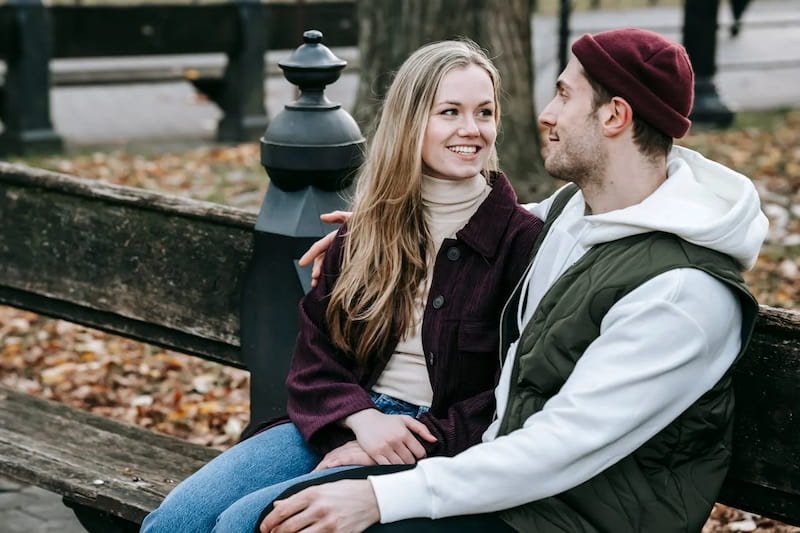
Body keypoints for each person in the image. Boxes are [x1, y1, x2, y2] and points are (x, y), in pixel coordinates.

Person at [258, 28, 769, 533]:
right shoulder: (578, 211)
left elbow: (559, 446)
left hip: (565, 515)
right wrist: (380, 230)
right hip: (501, 486)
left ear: (615, 115)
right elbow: (490, 222)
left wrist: (377, 495)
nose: (544, 114)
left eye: (564, 95)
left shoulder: (681, 294)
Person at [140, 39, 542, 533]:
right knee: (174, 523)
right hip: (342, 418)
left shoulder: (521, 244)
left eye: (484, 112)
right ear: (410, 121)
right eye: (449, 112)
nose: (470, 129)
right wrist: (360, 420)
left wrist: (386, 443)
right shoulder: (369, 229)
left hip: (434, 440)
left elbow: (513, 393)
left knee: (246, 524)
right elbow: (316, 354)